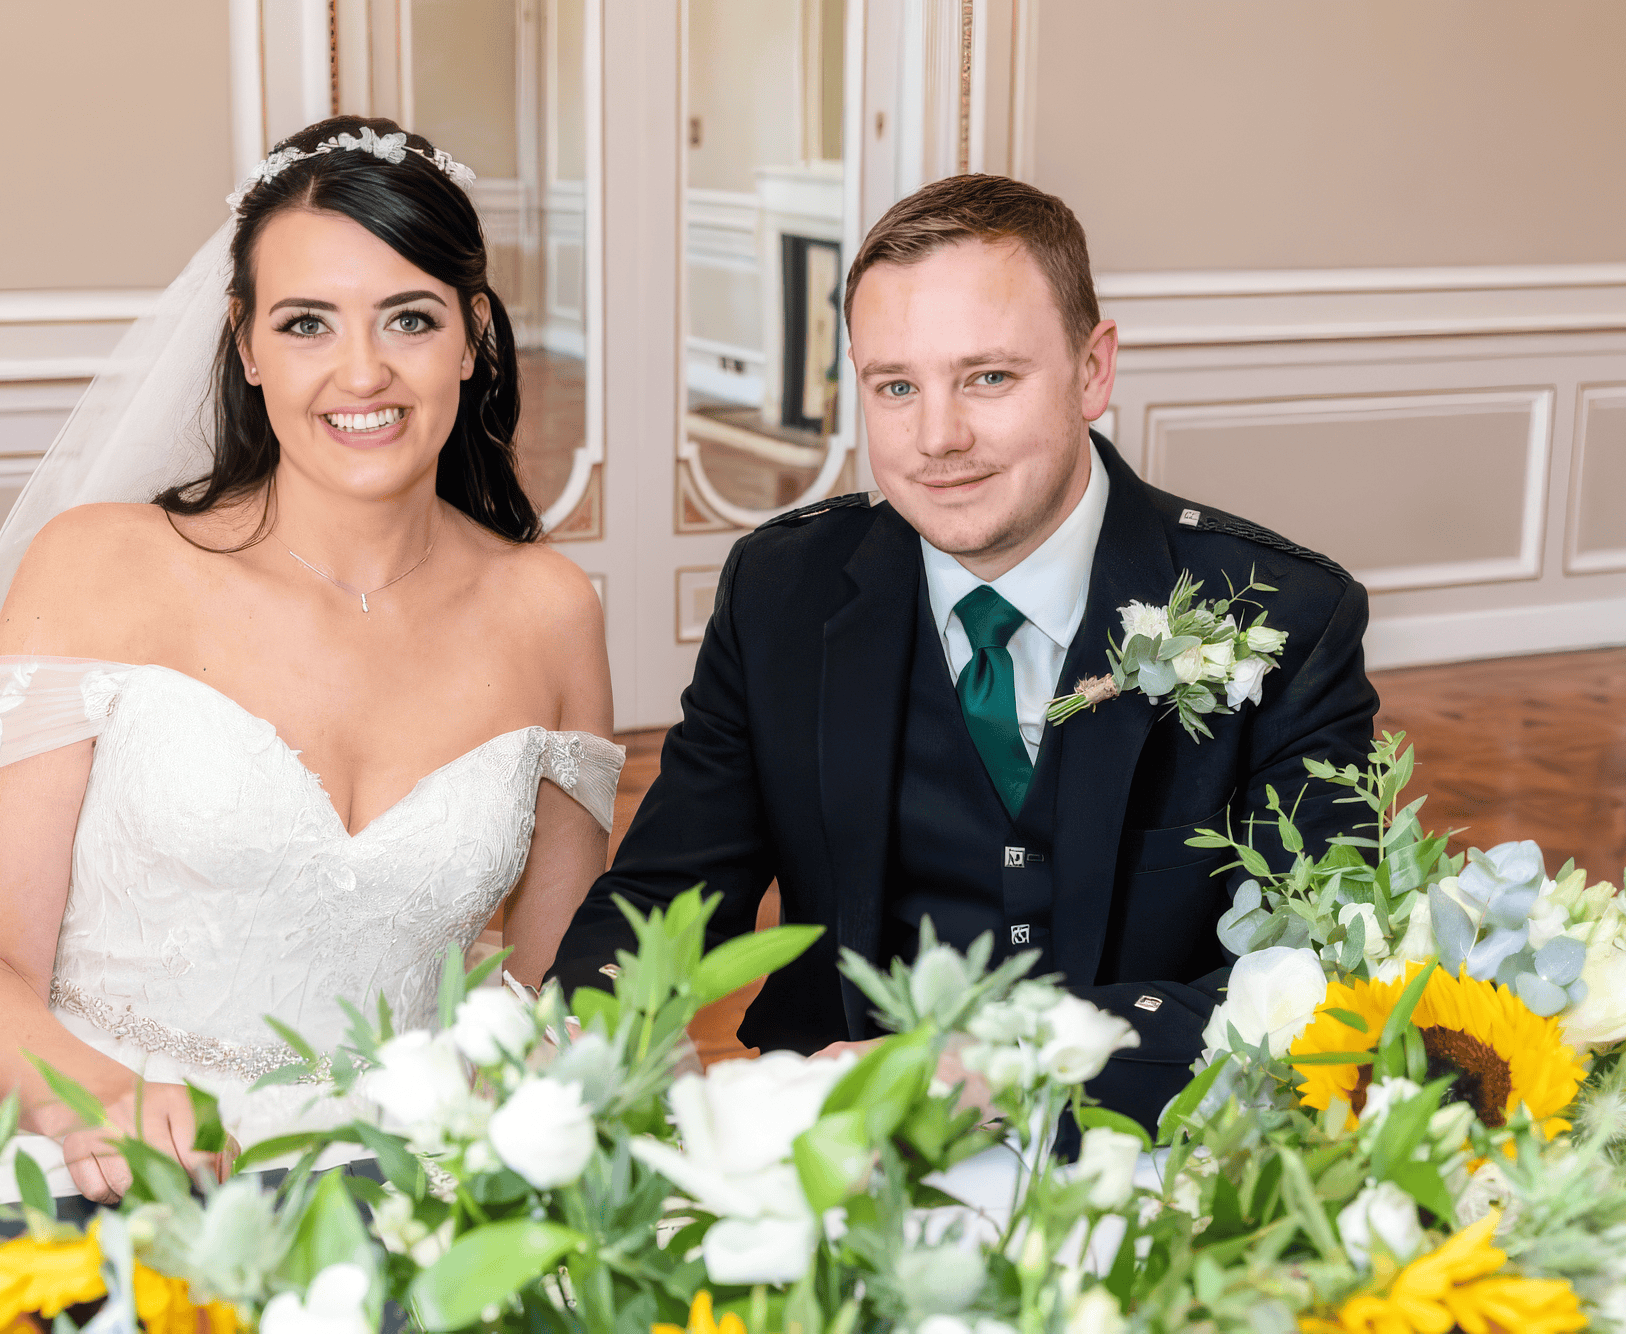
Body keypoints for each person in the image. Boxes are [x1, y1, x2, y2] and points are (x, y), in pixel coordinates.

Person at [0, 116, 619, 1201]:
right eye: (307, 322)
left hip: (415, 1181)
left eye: (407, 318)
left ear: (468, 337)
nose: (360, 371)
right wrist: (99, 1102)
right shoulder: (99, 567)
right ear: (244, 342)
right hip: (103, 1159)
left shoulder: (549, 609)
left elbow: (557, 978)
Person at [548, 175, 1378, 1133]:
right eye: (896, 387)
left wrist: (988, 1070)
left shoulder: (1281, 617)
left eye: (988, 377)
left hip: (1150, 1148)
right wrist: (581, 1029)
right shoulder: (784, 591)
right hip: (836, 1151)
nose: (937, 438)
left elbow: (1315, 975)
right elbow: (668, 895)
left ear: (1093, 370)